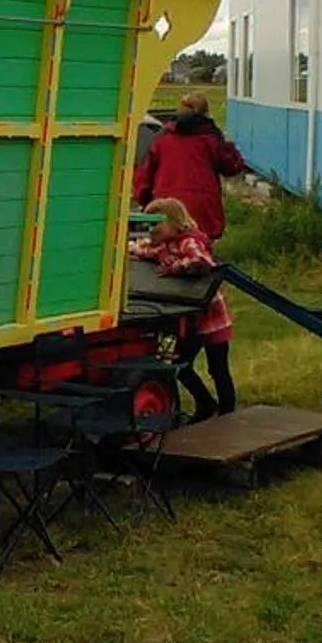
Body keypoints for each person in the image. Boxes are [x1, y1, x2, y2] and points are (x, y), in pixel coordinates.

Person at [128, 197, 237, 422]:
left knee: (218, 368)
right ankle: (205, 403)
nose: (152, 230)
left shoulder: (188, 242)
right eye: (148, 225)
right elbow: (143, 250)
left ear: (174, 222)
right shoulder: (163, 245)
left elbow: (202, 261)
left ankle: (228, 414)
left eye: (156, 224)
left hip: (211, 317)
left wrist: (175, 267)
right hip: (189, 320)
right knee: (180, 365)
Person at [133, 92, 247, 242]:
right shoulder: (211, 138)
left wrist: (146, 202)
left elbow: (144, 177)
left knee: (165, 251)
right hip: (203, 212)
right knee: (200, 252)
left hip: (166, 209)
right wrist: (227, 143)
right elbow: (233, 166)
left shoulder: (162, 138)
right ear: (206, 113)